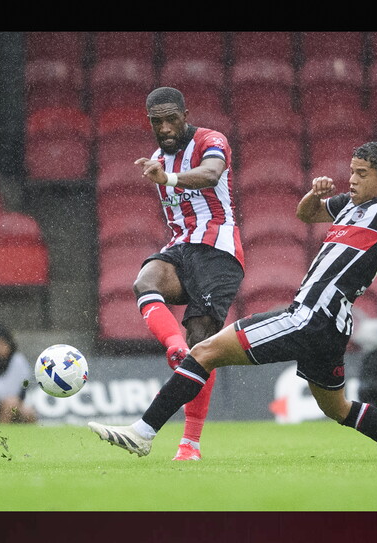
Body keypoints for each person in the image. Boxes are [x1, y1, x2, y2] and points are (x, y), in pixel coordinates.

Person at [89, 141, 377, 461]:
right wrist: (315, 196)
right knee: (337, 407)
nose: (351, 179)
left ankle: (143, 432)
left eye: (361, 173)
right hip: (332, 326)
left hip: (310, 314)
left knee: (204, 351)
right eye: (351, 171)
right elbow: (305, 215)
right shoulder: (348, 206)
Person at [127, 86, 245, 460]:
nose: (164, 127)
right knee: (144, 281)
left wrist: (169, 180)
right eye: (155, 121)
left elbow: (211, 175)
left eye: (170, 118)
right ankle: (173, 347)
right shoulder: (158, 158)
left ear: (185, 114)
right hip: (180, 247)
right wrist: (163, 174)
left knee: (202, 346)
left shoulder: (211, 140)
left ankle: (189, 444)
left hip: (219, 252)